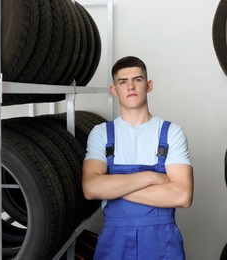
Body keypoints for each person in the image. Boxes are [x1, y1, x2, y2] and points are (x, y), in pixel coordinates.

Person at [82, 56, 193, 260]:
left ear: (148, 85)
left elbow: (182, 196)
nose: (130, 86)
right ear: (114, 90)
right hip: (115, 242)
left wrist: (113, 188)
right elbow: (91, 189)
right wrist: (151, 177)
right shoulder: (101, 134)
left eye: (137, 79)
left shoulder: (171, 133)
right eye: (123, 82)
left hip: (162, 242)